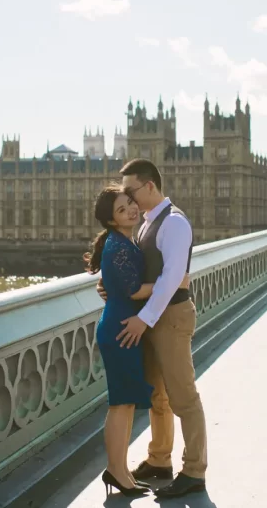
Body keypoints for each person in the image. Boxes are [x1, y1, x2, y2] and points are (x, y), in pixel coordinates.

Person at [97, 158, 207, 499]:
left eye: (130, 191)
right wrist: (112, 286)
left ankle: (194, 471)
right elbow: (140, 272)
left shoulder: (173, 223)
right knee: (158, 396)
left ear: (149, 186)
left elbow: (172, 277)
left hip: (170, 318)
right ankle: (159, 459)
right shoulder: (145, 224)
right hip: (152, 318)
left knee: (183, 397)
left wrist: (143, 317)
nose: (127, 198)